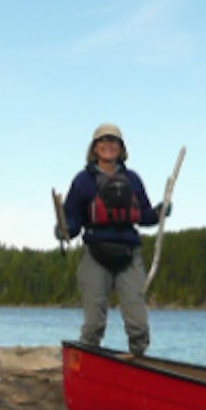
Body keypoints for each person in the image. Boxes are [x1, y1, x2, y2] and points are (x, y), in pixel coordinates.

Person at [58, 123, 169, 356]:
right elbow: (72, 220)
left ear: (121, 147)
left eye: (114, 141)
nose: (108, 145)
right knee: (93, 324)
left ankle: (138, 362)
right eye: (103, 141)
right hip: (95, 253)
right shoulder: (82, 180)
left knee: (138, 323)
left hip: (129, 253)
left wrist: (160, 212)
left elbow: (144, 216)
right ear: (94, 147)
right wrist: (64, 229)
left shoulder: (133, 179)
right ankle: (88, 365)